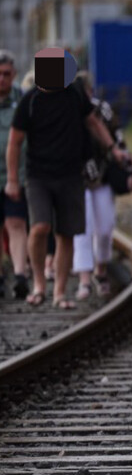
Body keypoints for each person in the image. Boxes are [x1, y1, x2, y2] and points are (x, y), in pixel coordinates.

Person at [5, 49, 127, 308]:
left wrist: (112, 148)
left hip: (71, 175)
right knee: (39, 228)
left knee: (66, 234)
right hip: (38, 176)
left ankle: (59, 292)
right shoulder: (30, 101)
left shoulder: (74, 95)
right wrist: (13, 179)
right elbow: (14, 143)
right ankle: (39, 284)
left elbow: (93, 123)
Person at [72, 72, 124, 300]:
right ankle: (84, 279)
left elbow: (118, 138)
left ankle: (100, 271)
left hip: (102, 177)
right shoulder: (67, 109)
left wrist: (128, 168)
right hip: (75, 177)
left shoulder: (102, 109)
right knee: (82, 229)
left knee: (104, 227)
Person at [0, 50, 29, 299]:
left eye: (6, 74)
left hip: (16, 174)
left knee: (16, 224)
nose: (1, 79)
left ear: (14, 75)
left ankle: (20, 274)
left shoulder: (23, 99)